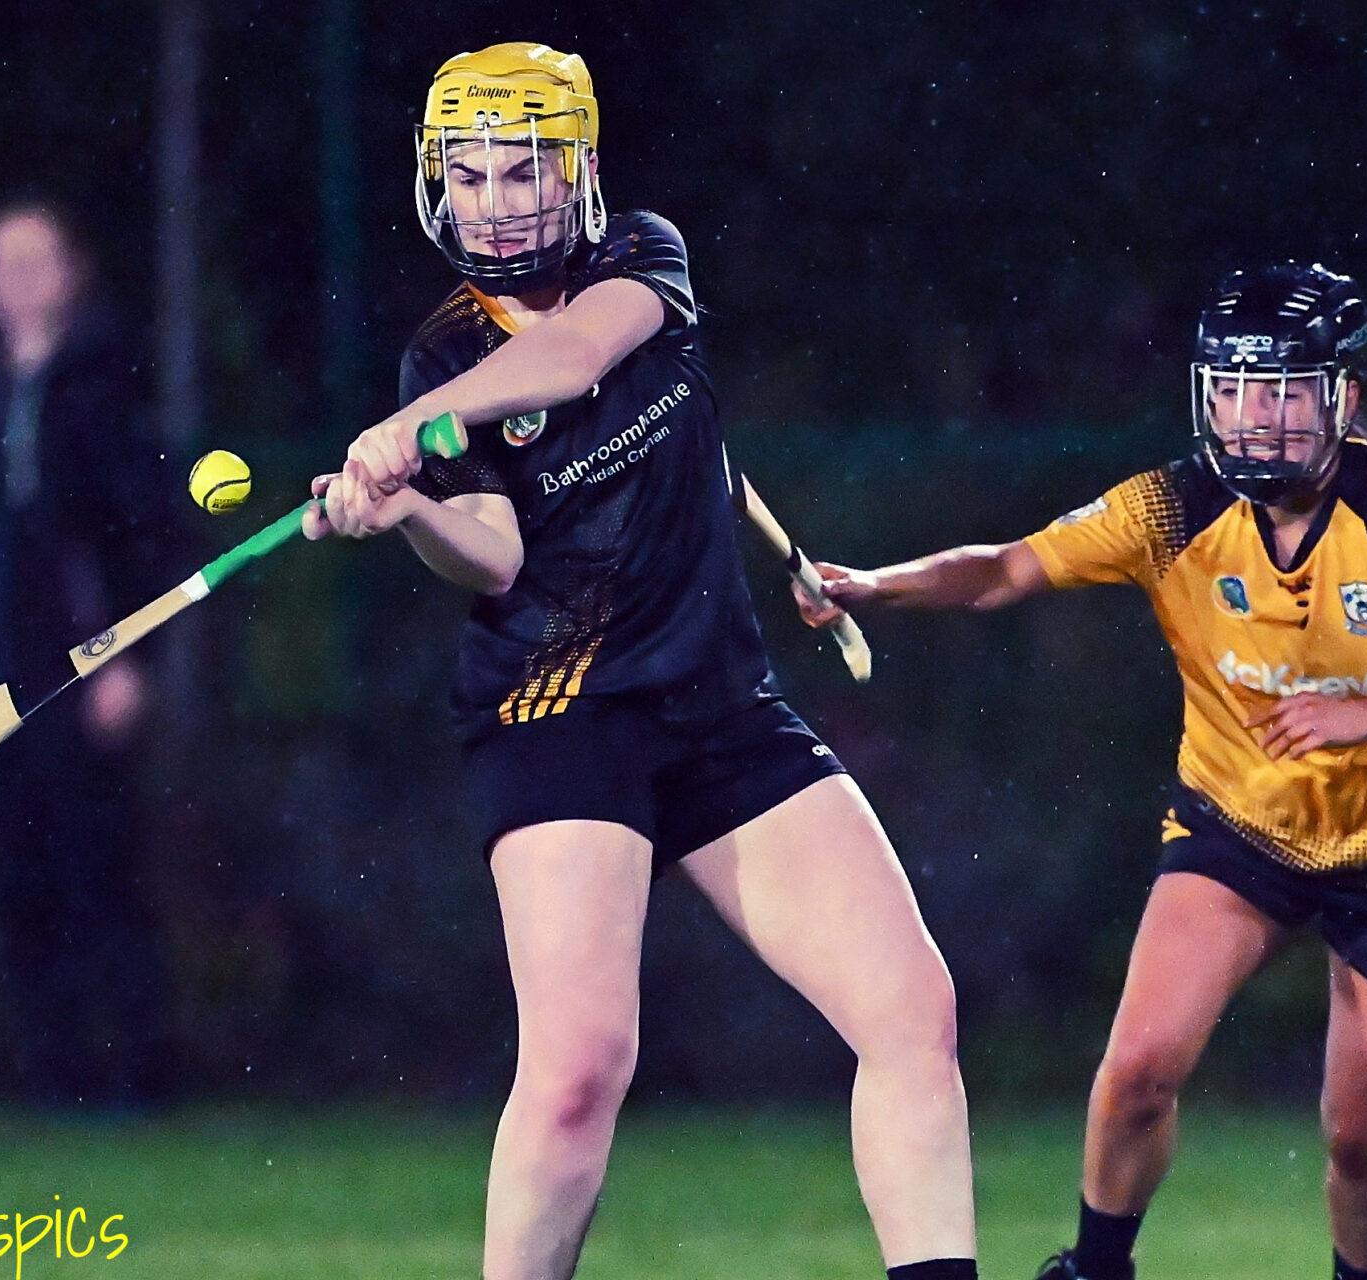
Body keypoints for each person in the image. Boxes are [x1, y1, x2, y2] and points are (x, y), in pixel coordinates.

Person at [301, 43, 977, 1280]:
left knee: (911, 1011)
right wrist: (405, 507)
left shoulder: (639, 258)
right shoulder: (440, 356)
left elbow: (575, 355)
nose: (496, 204)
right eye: (470, 175)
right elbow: (495, 555)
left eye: (524, 172)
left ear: (578, 174)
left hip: (719, 701)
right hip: (558, 710)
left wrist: (403, 431)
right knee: (577, 1072)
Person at [796, 263, 1367, 1280]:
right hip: (1239, 825)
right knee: (1137, 1072)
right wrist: (875, 585)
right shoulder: (1172, 506)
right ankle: (1095, 1269)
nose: (1256, 419)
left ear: (1344, 399)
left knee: (1356, 1138)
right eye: (1235, 389)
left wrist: (1363, 718)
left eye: (1284, 392)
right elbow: (1008, 567)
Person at [0, 200, 175, 1106]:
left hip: (79, 668)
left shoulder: (106, 381)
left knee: (100, 866)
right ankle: (54, 1077)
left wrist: (131, 659)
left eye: (35, 263)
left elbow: (138, 534)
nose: (17, 284)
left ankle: (141, 1075)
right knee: (16, 870)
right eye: (0, 266)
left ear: (72, 273)